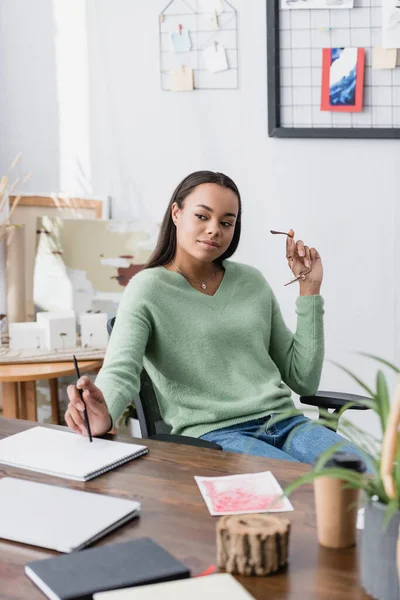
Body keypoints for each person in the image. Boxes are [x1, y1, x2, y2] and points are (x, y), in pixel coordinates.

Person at [65, 170, 358, 464]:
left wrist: (309, 290)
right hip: (216, 436)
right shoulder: (147, 289)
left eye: (226, 222)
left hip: (288, 423)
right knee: (305, 492)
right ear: (176, 214)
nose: (214, 229)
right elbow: (120, 371)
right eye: (202, 216)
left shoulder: (251, 282)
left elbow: (302, 380)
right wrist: (102, 415)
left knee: (377, 481)